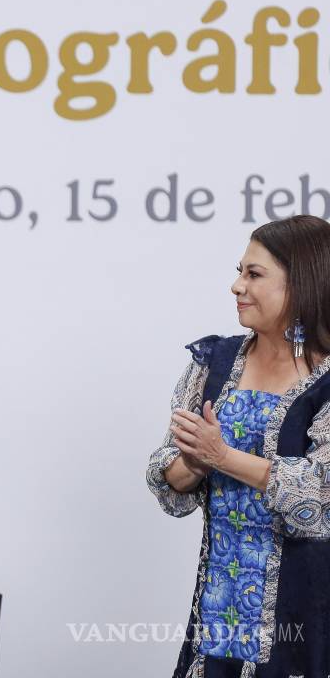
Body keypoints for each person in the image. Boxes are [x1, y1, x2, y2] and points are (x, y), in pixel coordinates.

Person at [147, 214, 330, 678]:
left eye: (254, 274)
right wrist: (192, 461)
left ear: (302, 284)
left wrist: (222, 456)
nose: (236, 286)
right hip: (220, 607)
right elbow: (165, 478)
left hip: (306, 612)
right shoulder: (215, 362)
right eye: (238, 271)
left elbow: (320, 494)